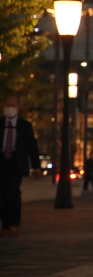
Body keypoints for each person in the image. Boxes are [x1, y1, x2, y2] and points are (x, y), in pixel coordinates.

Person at [1, 96, 42, 237]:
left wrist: (36, 166)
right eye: (7, 104)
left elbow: (32, 147)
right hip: (2, 162)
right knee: (3, 194)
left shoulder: (25, 125)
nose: (10, 107)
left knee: (13, 192)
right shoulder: (0, 123)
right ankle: (5, 225)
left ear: (18, 107)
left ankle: (14, 224)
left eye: (13, 104)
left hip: (16, 163)